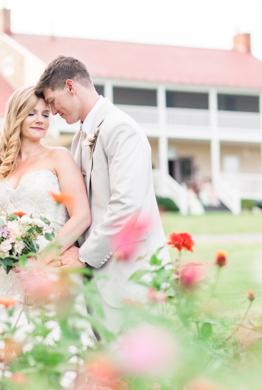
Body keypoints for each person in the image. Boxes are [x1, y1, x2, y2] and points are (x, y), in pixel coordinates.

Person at [0, 87, 92, 390]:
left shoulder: (58, 157)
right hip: (4, 287)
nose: (40, 120)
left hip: (50, 276)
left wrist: (41, 259)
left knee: (45, 368)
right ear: (16, 116)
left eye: (46, 114)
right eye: (32, 113)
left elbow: (82, 216)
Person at [36, 55, 170, 333]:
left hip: (129, 272)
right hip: (97, 276)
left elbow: (127, 207)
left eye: (51, 101)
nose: (52, 111)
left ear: (70, 86)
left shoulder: (121, 129)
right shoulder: (80, 136)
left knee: (136, 367)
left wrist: (84, 258)